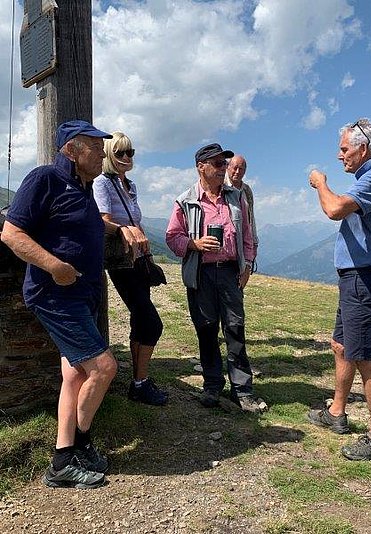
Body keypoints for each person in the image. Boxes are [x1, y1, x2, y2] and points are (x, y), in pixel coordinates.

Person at [1, 120, 118, 488]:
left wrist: (124, 230)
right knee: (103, 368)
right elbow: (10, 233)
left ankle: (65, 454)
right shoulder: (45, 179)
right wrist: (54, 266)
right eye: (95, 147)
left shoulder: (84, 188)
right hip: (55, 296)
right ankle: (71, 453)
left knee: (75, 374)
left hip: (81, 295)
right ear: (71, 150)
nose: (103, 153)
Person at [307, 118, 371, 460]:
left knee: (366, 358)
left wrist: (320, 183)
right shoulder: (370, 178)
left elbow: (333, 208)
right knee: (341, 345)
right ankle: (337, 413)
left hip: (366, 278)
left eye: (345, 149)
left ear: (363, 149)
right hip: (356, 278)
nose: (340, 155)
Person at [166, 143, 264, 413]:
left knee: (235, 328)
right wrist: (194, 244)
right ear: (201, 166)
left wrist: (247, 266)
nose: (224, 169)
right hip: (202, 274)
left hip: (231, 271)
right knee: (206, 329)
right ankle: (212, 385)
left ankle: (242, 390)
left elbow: (246, 234)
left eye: (225, 164)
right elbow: (172, 238)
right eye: (219, 164)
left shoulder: (236, 197)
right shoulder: (186, 201)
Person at [93, 132, 166, 406]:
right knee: (151, 323)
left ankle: (139, 382)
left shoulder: (129, 185)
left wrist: (144, 245)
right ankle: (139, 383)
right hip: (121, 262)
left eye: (130, 152)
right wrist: (125, 229)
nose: (126, 157)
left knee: (140, 318)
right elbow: (103, 221)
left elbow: (135, 220)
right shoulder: (103, 183)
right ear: (109, 155)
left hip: (138, 261)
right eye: (120, 153)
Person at [225, 155, 259, 260]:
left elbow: (251, 216)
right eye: (235, 168)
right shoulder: (221, 186)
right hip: (227, 241)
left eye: (241, 169)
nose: (238, 172)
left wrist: (254, 242)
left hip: (244, 240)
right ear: (228, 167)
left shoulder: (247, 190)